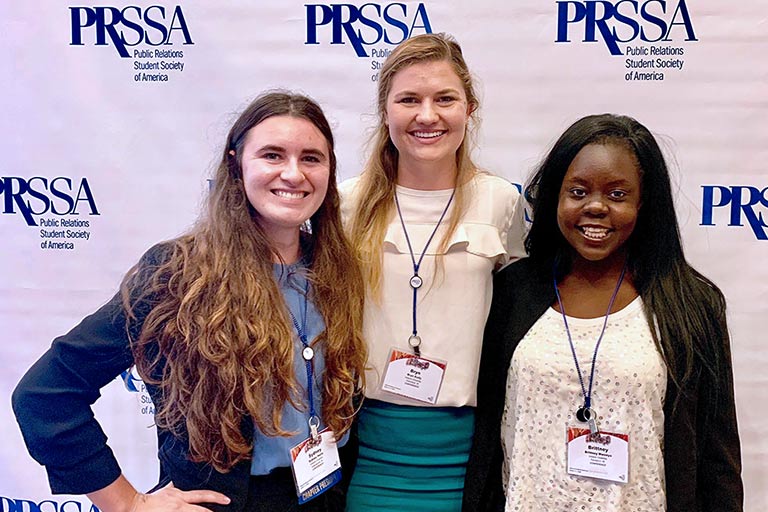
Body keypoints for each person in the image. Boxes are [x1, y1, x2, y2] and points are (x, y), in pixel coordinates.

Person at [12, 92, 367, 512]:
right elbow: (46, 393)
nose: (294, 174)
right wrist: (127, 504)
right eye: (272, 155)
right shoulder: (177, 274)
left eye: (311, 158)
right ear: (236, 165)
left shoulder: (336, 268)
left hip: (327, 494)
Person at [464, 114, 743, 511]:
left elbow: (718, 462)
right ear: (554, 198)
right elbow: (487, 444)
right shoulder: (512, 292)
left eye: (617, 195)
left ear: (644, 202)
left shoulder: (690, 305)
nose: (595, 207)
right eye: (577, 192)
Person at [339, 33, 527, 511]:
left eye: (445, 99)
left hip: (469, 458)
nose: (427, 116)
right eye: (408, 100)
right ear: (386, 111)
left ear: (469, 108)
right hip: (368, 454)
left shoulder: (500, 200)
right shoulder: (346, 203)